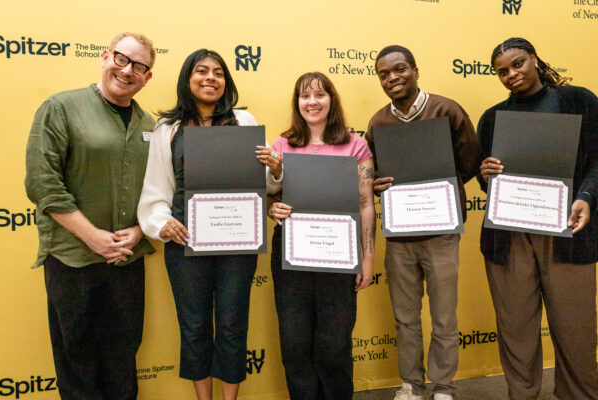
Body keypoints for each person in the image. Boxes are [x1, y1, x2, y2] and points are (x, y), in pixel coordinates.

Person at [137, 49, 279, 400]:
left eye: (218, 72)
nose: (210, 78)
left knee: (232, 323)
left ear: (226, 82)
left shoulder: (244, 123)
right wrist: (161, 223)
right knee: (195, 325)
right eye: (202, 71)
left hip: (238, 239)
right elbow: (156, 189)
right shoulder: (168, 129)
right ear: (188, 79)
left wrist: (275, 168)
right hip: (185, 237)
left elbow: (262, 185)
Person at [24, 32, 156, 400]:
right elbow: (41, 183)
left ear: (148, 77)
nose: (128, 70)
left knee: (122, 361)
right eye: (122, 59)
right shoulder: (61, 107)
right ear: (104, 57)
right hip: (72, 259)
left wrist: (139, 231)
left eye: (139, 66)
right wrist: (92, 237)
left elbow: (161, 193)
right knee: (77, 364)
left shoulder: (151, 127)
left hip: (126, 261)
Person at [477, 37, 598, 400]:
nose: (511, 74)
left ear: (533, 59)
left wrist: (586, 196)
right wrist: (487, 175)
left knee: (576, 330)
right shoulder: (492, 117)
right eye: (502, 71)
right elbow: (492, 184)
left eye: (518, 64)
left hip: (567, 233)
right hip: (509, 239)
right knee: (516, 332)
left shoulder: (578, 101)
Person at [365, 45, 483, 400]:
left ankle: (444, 386)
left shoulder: (446, 110)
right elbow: (373, 174)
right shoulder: (378, 122)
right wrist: (374, 185)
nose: (392, 78)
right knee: (405, 318)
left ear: (416, 71)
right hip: (400, 235)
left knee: (444, 317)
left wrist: (439, 190)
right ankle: (411, 385)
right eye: (384, 74)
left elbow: (469, 162)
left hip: (442, 231)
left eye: (399, 69)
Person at [267, 71, 375, 399]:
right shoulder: (281, 145)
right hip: (290, 255)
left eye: (319, 95)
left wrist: (367, 257)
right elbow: (271, 194)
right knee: (295, 343)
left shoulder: (355, 145)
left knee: (334, 344)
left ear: (332, 100)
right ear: (297, 103)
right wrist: (273, 207)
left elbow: (366, 203)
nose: (312, 102)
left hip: (339, 256)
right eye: (304, 96)